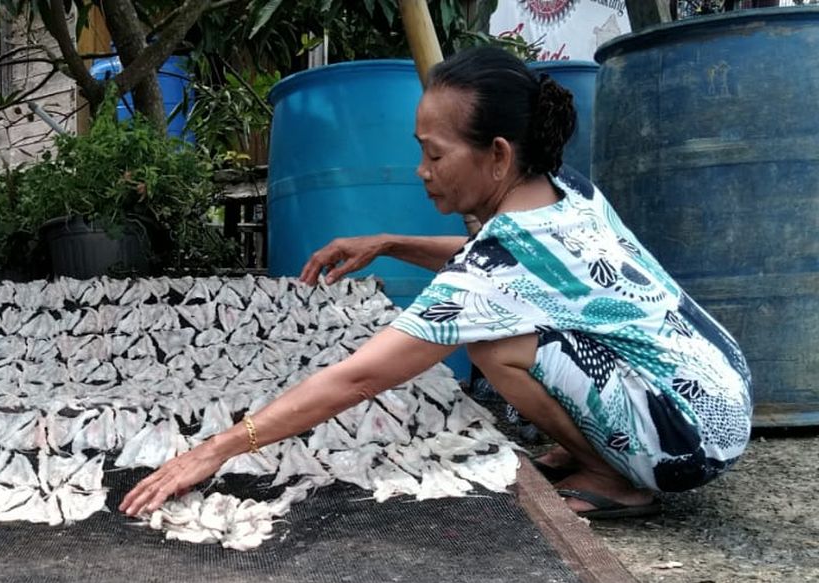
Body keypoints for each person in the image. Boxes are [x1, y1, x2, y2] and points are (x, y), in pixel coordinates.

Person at [120, 46, 752, 521]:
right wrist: (389, 242)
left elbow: (359, 376)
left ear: (499, 155)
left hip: (686, 441)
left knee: (491, 345)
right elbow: (496, 264)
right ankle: (595, 443)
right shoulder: (565, 195)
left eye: (436, 154)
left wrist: (220, 448)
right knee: (510, 330)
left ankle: (617, 479)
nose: (422, 171)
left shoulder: (498, 267)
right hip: (719, 394)